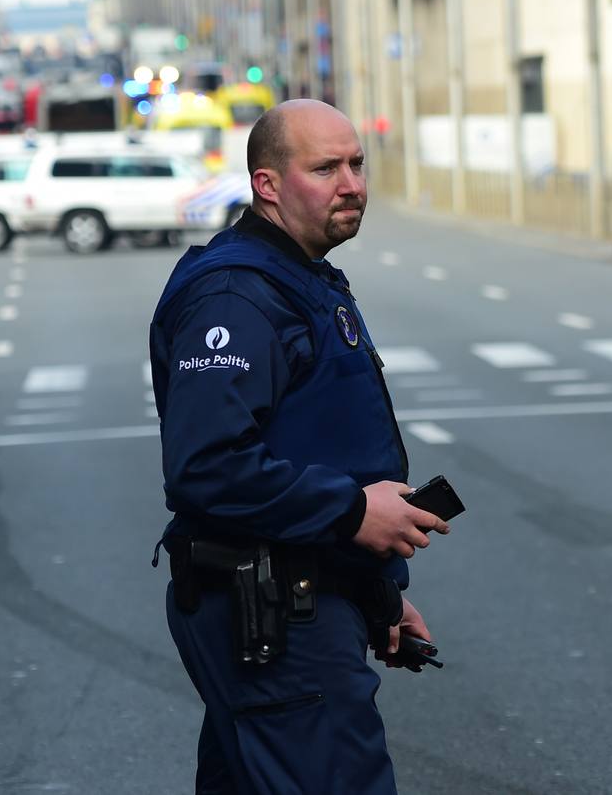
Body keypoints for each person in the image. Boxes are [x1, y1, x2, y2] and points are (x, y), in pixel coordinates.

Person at [148, 99, 450, 794]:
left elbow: (316, 445)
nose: (352, 183)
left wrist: (376, 594)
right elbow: (206, 467)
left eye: (356, 163)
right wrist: (350, 512)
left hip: (309, 596)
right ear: (268, 185)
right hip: (275, 617)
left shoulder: (300, 277)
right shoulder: (236, 294)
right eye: (325, 168)